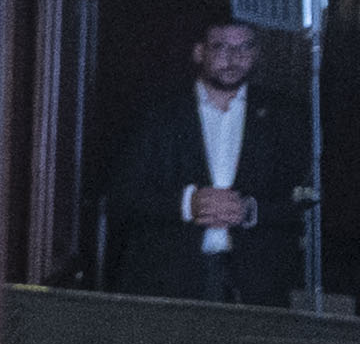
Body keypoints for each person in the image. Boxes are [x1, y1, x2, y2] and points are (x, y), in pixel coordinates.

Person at [103, 16, 300, 305]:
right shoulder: (159, 112)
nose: (233, 59)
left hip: (254, 284)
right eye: (221, 47)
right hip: (168, 280)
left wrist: (251, 210)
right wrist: (188, 204)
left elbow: (302, 200)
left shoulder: (285, 115)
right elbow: (123, 194)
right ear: (199, 52)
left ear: (256, 53)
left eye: (244, 48)